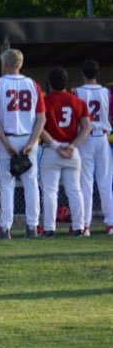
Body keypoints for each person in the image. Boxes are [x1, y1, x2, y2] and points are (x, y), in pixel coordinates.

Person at [0, 49, 45, 239]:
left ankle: (5, 228)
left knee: (6, 185)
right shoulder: (33, 84)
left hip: (8, 137)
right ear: (19, 64)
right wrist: (32, 142)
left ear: (5, 64)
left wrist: (5, 143)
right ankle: (32, 227)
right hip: (28, 137)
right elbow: (41, 118)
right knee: (31, 184)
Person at [39, 67, 90, 237]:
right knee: (75, 190)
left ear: (50, 83)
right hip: (71, 149)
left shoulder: (44, 101)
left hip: (51, 150)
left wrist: (55, 145)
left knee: (50, 191)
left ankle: (49, 228)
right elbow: (86, 127)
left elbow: (39, 127)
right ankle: (79, 227)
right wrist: (73, 146)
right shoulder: (78, 101)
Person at [75, 60, 112, 235]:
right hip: (102, 137)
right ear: (98, 73)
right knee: (105, 182)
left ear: (83, 73)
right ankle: (111, 223)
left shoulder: (78, 91)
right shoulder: (106, 92)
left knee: (86, 183)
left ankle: (85, 225)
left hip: (85, 138)